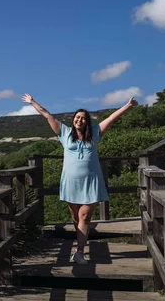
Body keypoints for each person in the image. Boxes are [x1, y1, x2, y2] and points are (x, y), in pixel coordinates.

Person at [21, 93, 138, 264]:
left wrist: (127, 106)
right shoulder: (65, 133)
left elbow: (112, 118)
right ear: (73, 120)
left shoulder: (95, 133)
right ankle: (79, 243)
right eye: (77, 117)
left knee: (84, 217)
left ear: (87, 121)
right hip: (71, 183)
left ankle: (79, 252)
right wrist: (32, 102)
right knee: (76, 218)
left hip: (91, 182)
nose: (79, 120)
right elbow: (48, 115)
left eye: (83, 118)